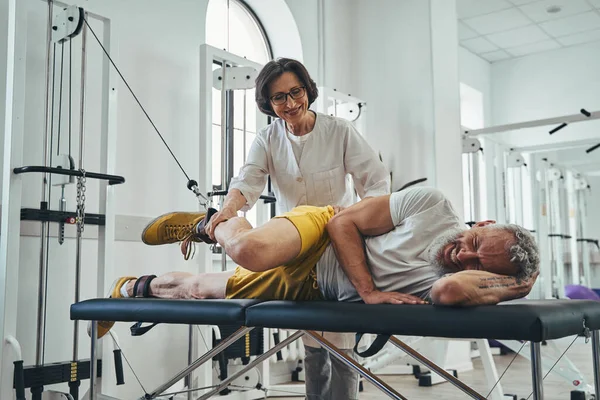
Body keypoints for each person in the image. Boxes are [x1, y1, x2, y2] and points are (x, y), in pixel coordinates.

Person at [140, 57, 390, 399]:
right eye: (279, 98)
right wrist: (226, 210)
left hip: (336, 244)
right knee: (313, 341)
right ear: (268, 103)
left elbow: (376, 184)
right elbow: (248, 181)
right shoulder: (268, 138)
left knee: (341, 343)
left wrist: (358, 221)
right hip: (293, 244)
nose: (290, 103)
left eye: (296, 92)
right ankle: (203, 228)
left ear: (307, 90)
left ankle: (198, 229)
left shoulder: (339, 131)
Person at [97, 186, 540, 349]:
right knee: (248, 251)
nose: (464, 256)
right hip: (321, 232)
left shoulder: (457, 280)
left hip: (315, 287)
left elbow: (449, 294)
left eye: (481, 263)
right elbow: (346, 222)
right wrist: (367, 290)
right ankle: (213, 223)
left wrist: (516, 284)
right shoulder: (433, 205)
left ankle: (134, 288)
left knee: (198, 291)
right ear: (481, 223)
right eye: (476, 242)